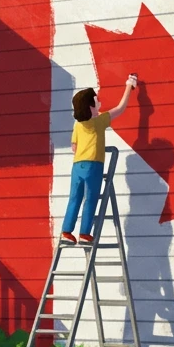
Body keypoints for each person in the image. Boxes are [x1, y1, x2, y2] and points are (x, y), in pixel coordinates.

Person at [61, 74, 137, 245]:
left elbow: (74, 147)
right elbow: (121, 107)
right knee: (91, 197)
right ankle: (84, 233)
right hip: (93, 164)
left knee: (75, 197)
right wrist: (129, 85)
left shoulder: (78, 125)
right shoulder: (99, 121)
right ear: (90, 107)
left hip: (77, 166)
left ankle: (66, 231)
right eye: (96, 102)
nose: (99, 104)